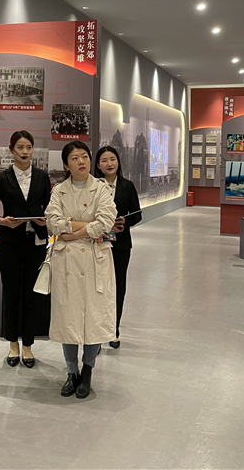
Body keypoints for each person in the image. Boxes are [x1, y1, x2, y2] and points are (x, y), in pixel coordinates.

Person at [45, 141, 117, 399]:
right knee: (68, 318)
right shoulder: (59, 191)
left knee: (94, 317)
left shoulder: (101, 188)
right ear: (66, 165)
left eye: (84, 156)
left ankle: (88, 369)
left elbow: (106, 220)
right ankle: (71, 371)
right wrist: (85, 226)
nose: (81, 161)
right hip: (66, 262)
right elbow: (52, 222)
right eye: (74, 158)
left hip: (95, 259)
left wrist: (73, 233)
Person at [0, 131, 52, 368]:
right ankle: (13, 344)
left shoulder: (42, 176)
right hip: (10, 245)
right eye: (20, 147)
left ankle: (28, 346)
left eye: (29, 147)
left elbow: (50, 207)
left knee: (32, 297)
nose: (25, 152)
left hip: (35, 243)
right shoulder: (1, 178)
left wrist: (46, 219)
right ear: (11, 149)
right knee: (11, 296)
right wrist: (1, 221)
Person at [94, 146, 142, 348]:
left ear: (118, 162)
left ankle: (114, 330)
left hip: (121, 244)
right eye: (104, 160)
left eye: (112, 159)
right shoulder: (93, 186)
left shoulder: (127, 186)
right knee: (97, 288)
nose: (109, 163)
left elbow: (137, 214)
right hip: (97, 243)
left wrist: (124, 223)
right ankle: (97, 332)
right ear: (98, 165)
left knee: (118, 286)